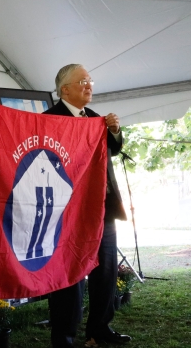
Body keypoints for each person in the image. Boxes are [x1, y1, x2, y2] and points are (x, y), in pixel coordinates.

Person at [44, 64, 131, 347]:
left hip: (102, 209)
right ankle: (65, 336)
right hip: (68, 213)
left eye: (90, 80)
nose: (89, 85)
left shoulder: (96, 119)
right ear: (64, 89)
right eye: (82, 81)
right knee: (69, 274)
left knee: (105, 270)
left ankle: (99, 328)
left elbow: (114, 149)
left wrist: (115, 131)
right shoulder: (48, 119)